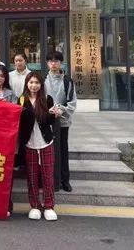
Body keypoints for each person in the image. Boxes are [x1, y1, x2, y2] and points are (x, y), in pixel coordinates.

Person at [18, 71, 61, 221]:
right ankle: (35, 206)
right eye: (31, 82)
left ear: (41, 85)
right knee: (32, 177)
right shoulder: (21, 99)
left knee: (48, 176)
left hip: (45, 143)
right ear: (27, 84)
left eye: (37, 83)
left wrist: (54, 114)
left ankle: (49, 206)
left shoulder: (47, 99)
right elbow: (19, 120)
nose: (34, 85)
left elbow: (49, 121)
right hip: (29, 143)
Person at [45, 51, 76, 193]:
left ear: (61, 63)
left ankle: (65, 180)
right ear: (47, 63)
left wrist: (60, 110)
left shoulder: (67, 81)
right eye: (50, 61)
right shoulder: (43, 80)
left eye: (56, 61)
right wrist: (49, 111)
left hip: (62, 122)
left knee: (63, 150)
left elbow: (72, 103)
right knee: (48, 151)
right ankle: (50, 180)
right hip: (47, 121)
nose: (53, 63)